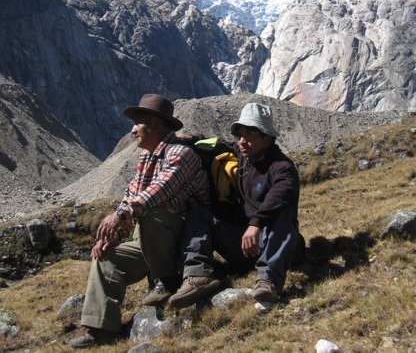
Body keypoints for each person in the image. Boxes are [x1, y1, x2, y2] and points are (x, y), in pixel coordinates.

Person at [68, 94, 209, 349]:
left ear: (154, 125)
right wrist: (111, 232)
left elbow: (159, 191)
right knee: (106, 258)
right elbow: (131, 194)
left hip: (181, 240)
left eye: (138, 124)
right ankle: (101, 329)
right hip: (149, 238)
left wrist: (121, 216)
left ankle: (168, 280)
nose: (132, 131)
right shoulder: (146, 158)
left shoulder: (181, 154)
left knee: (150, 212)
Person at [168, 102, 300, 310]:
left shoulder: (282, 167)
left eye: (249, 135)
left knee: (282, 215)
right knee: (199, 215)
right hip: (245, 245)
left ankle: (268, 280)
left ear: (266, 137)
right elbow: (219, 144)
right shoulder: (243, 156)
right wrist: (192, 140)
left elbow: (279, 196)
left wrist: (256, 224)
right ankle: (197, 275)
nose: (242, 141)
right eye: (240, 135)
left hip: (274, 242)